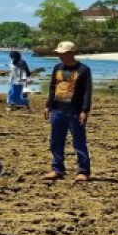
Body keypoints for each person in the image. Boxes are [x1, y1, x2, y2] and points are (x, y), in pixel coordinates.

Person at [43, 41, 92, 182]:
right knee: (56, 141)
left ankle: (84, 171)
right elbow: (53, 87)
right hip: (58, 109)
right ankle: (57, 169)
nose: (60, 57)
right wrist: (48, 106)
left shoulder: (83, 69)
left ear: (71, 53)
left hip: (75, 111)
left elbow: (87, 92)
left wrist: (85, 110)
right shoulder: (57, 68)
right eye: (59, 54)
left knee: (79, 142)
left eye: (63, 54)